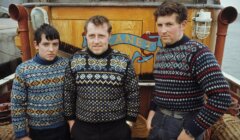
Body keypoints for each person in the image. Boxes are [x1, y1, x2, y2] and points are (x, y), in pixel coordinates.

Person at [147, 1, 232, 140]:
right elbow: (160, 89)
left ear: (183, 24)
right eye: (160, 25)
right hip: (158, 120)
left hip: (185, 124)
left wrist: (191, 132)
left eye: (169, 24)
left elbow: (221, 98)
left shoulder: (199, 53)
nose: (162, 30)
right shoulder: (161, 53)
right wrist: (151, 114)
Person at [63, 15, 140, 140]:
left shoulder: (124, 60)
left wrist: (129, 123)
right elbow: (68, 93)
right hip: (83, 129)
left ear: (109, 35)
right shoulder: (75, 60)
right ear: (86, 36)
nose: (96, 41)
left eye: (101, 36)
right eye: (92, 36)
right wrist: (71, 122)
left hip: (116, 129)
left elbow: (133, 93)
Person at [11, 23, 71, 140]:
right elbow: (17, 104)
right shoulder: (24, 70)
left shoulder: (67, 65)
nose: (51, 49)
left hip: (64, 128)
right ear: (36, 45)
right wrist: (21, 134)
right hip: (37, 132)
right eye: (46, 44)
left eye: (55, 44)